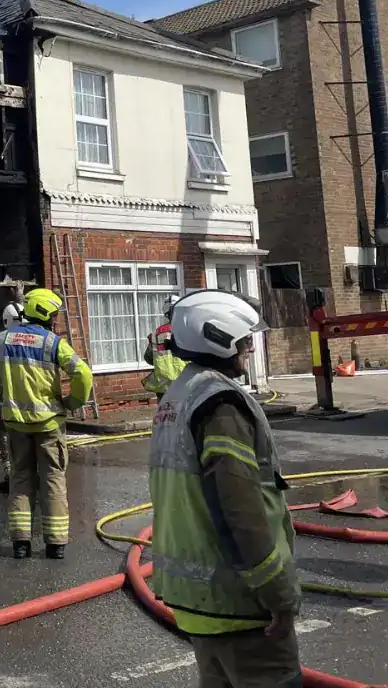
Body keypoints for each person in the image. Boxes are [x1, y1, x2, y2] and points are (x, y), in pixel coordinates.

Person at [148, 290, 302, 688]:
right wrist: (275, 593)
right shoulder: (221, 404)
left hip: (200, 602)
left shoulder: (179, 394)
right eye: (246, 339)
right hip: (238, 600)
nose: (250, 347)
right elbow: (239, 505)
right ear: (219, 336)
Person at [0, 287, 94, 559]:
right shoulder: (52, 343)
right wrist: (72, 402)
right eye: (53, 315)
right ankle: (55, 544)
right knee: (53, 479)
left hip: (15, 424)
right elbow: (83, 373)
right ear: (46, 314)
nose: (55, 320)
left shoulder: (2, 339)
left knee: (20, 480)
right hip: (49, 425)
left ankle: (20, 543)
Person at [0, 299, 25, 495]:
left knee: (6, 437)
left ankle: (11, 476)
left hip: (6, 401)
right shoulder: (36, 338)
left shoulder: (0, 340)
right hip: (32, 402)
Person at [142, 293, 186, 404]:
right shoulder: (187, 330)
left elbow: (148, 358)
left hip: (163, 388)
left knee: (165, 418)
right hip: (184, 385)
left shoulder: (156, 334)